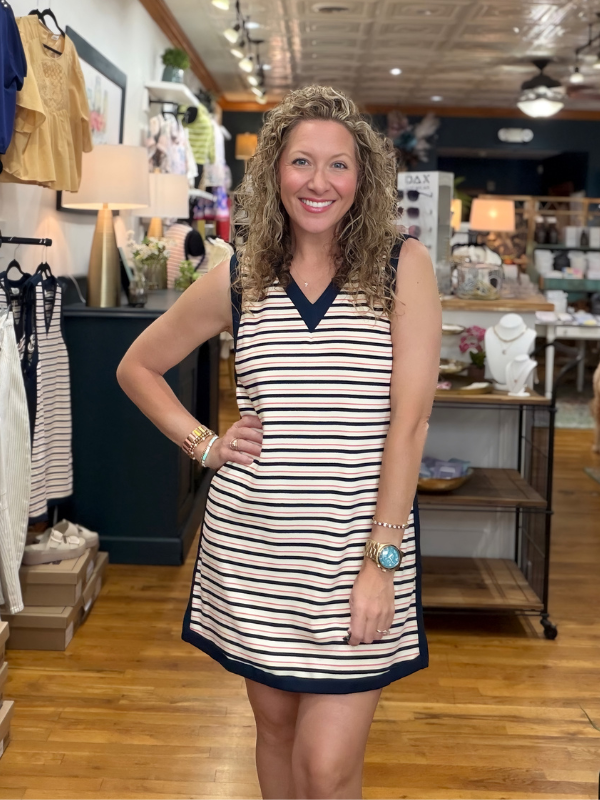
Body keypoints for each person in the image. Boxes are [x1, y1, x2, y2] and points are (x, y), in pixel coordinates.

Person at [117, 85, 441, 800]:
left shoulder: (400, 267)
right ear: (274, 173)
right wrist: (205, 445)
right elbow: (137, 367)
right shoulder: (238, 276)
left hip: (358, 552)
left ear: (364, 178)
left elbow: (409, 424)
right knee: (276, 737)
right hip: (256, 554)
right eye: (301, 162)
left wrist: (381, 566)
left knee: (326, 768)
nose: (318, 182)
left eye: (337, 165)